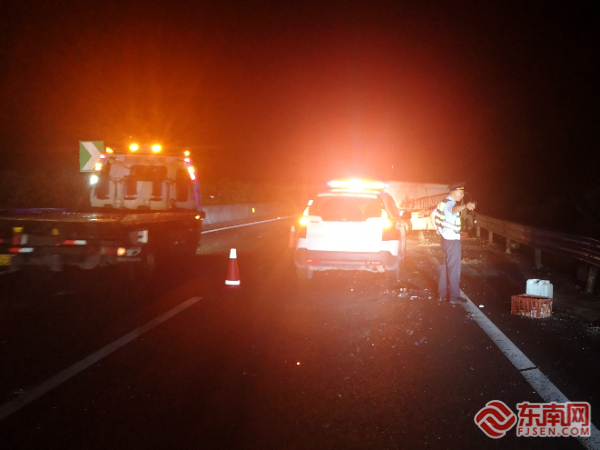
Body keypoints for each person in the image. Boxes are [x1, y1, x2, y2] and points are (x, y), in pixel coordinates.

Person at [430, 182, 476, 304]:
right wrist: (465, 205)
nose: (462, 195)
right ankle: (454, 297)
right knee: (454, 269)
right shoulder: (451, 204)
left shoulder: (443, 203)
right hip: (452, 241)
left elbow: (432, 214)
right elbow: (454, 209)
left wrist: (437, 229)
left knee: (445, 267)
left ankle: (441, 294)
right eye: (461, 193)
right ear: (455, 192)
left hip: (445, 240)